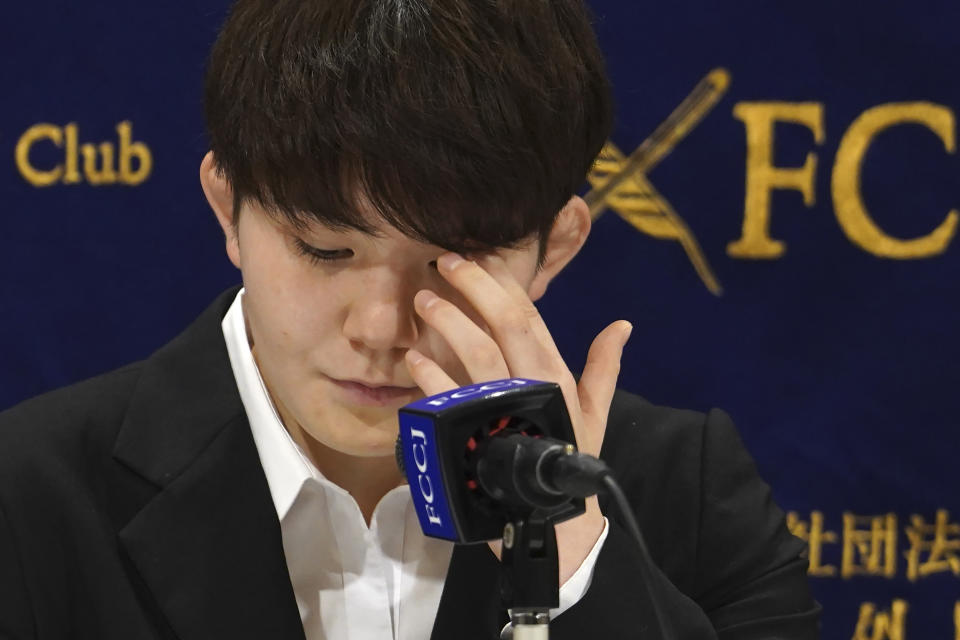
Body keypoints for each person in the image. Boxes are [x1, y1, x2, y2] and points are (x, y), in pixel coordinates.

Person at [0, 1, 820, 638]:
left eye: (450, 262)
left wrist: (570, 576)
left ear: (556, 248)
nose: (383, 327)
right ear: (228, 209)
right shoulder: (28, 494)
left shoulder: (683, 493)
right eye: (324, 249)